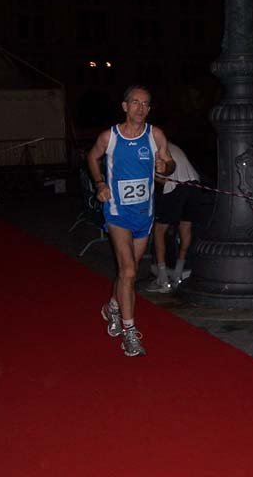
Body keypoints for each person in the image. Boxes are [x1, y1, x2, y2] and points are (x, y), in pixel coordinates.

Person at [87, 85, 175, 357]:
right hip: (117, 213)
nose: (141, 108)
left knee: (130, 271)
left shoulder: (155, 135)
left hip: (144, 215)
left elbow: (169, 163)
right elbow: (92, 157)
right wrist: (100, 183)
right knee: (127, 272)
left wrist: (165, 166)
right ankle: (129, 333)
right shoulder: (110, 137)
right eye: (135, 103)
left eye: (146, 104)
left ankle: (112, 307)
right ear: (125, 106)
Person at [145, 142, 201, 293]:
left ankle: (162, 278)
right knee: (185, 227)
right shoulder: (170, 145)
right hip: (195, 184)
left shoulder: (150, 148)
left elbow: (163, 179)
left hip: (176, 185)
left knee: (159, 230)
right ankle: (178, 274)